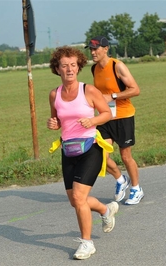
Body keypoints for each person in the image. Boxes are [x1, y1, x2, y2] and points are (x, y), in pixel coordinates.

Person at [47, 46, 119, 260]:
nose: (69, 69)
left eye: (73, 65)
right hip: (68, 149)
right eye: (64, 65)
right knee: (75, 200)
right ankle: (106, 210)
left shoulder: (88, 91)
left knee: (79, 197)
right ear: (57, 69)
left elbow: (107, 113)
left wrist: (93, 120)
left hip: (90, 147)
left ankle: (87, 243)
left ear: (78, 67)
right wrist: (53, 123)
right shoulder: (54, 94)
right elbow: (58, 120)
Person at [86, 36, 144, 205]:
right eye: (91, 49)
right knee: (100, 157)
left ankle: (136, 188)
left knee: (126, 156)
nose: (93, 52)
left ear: (106, 49)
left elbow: (135, 90)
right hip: (105, 117)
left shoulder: (117, 66)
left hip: (123, 116)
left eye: (96, 48)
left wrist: (111, 96)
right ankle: (120, 180)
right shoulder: (94, 69)